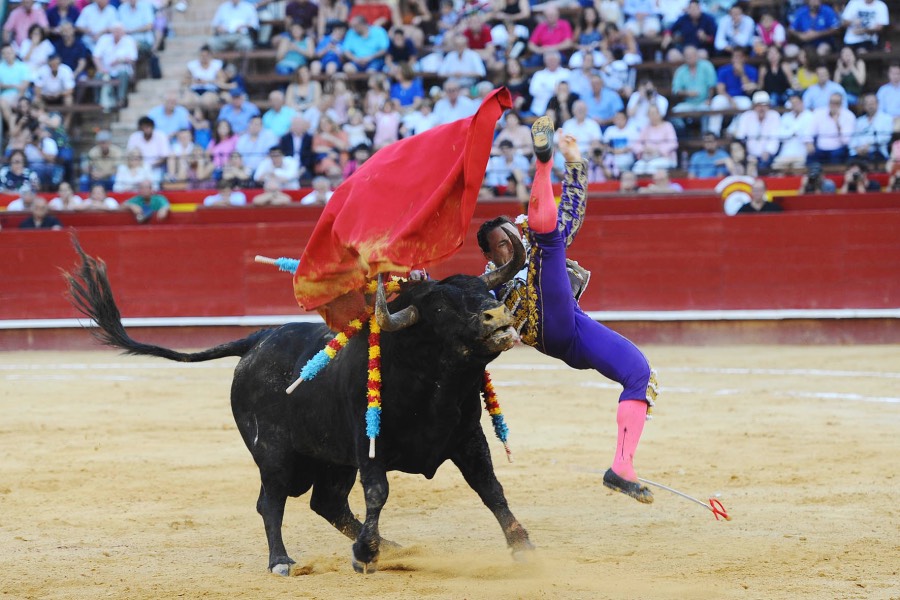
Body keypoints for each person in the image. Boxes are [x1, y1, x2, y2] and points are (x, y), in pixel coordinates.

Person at [478, 120, 658, 504]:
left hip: (573, 328)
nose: (510, 243)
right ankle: (542, 165)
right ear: (490, 255)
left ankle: (621, 468)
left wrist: (576, 164)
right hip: (546, 327)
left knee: (639, 373)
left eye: (512, 235)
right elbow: (483, 324)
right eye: (501, 243)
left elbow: (572, 210)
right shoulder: (488, 284)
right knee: (551, 237)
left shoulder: (539, 245)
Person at [807, 92, 854, 164]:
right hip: (820, 148)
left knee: (838, 155)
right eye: (831, 102)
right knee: (810, 157)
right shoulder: (819, 113)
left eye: (836, 103)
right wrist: (809, 143)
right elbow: (810, 131)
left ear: (841, 104)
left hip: (838, 148)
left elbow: (846, 141)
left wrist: (837, 124)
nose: (833, 105)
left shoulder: (849, 116)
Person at [850, 94, 893, 163]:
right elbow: (853, 139)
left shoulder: (887, 118)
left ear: (878, 104)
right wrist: (857, 148)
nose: (870, 106)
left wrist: (869, 144)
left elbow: (886, 137)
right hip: (859, 152)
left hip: (877, 151)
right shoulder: (859, 121)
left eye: (872, 103)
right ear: (864, 106)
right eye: (867, 104)